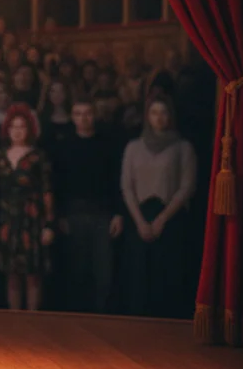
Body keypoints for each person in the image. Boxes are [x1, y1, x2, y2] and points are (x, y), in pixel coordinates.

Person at [120, 95, 196, 318]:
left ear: (171, 116)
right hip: (140, 217)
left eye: (164, 112)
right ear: (147, 117)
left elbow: (187, 186)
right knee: (139, 278)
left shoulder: (183, 147)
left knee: (168, 277)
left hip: (170, 218)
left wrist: (162, 220)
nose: (159, 118)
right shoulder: (133, 147)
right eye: (154, 113)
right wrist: (140, 222)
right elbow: (127, 186)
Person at [54, 98, 123, 313]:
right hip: (73, 212)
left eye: (88, 113)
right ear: (72, 117)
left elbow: (117, 181)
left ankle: (101, 316)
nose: (84, 118)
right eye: (78, 113)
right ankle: (77, 318)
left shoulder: (108, 144)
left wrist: (118, 214)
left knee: (104, 271)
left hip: (102, 212)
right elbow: (58, 183)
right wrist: (60, 215)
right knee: (76, 270)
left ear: (94, 115)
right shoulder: (63, 145)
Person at [0, 103, 55, 311]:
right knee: (11, 273)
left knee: (33, 273)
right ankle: (14, 323)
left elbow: (47, 191)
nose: (17, 131)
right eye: (13, 127)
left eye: (22, 127)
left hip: (32, 219)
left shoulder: (39, 157)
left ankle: (33, 322)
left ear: (30, 129)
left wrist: (49, 225)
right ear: (7, 129)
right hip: (6, 219)